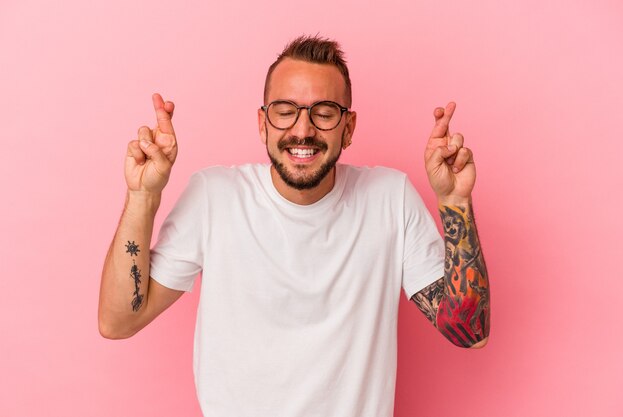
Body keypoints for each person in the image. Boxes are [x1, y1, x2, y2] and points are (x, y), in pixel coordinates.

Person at [99, 35, 490, 417]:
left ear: (348, 128)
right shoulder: (214, 197)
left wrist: (455, 203)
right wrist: (142, 196)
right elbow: (118, 322)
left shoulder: (390, 198)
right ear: (263, 123)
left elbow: (470, 333)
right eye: (285, 110)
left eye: (323, 113)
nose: (302, 131)